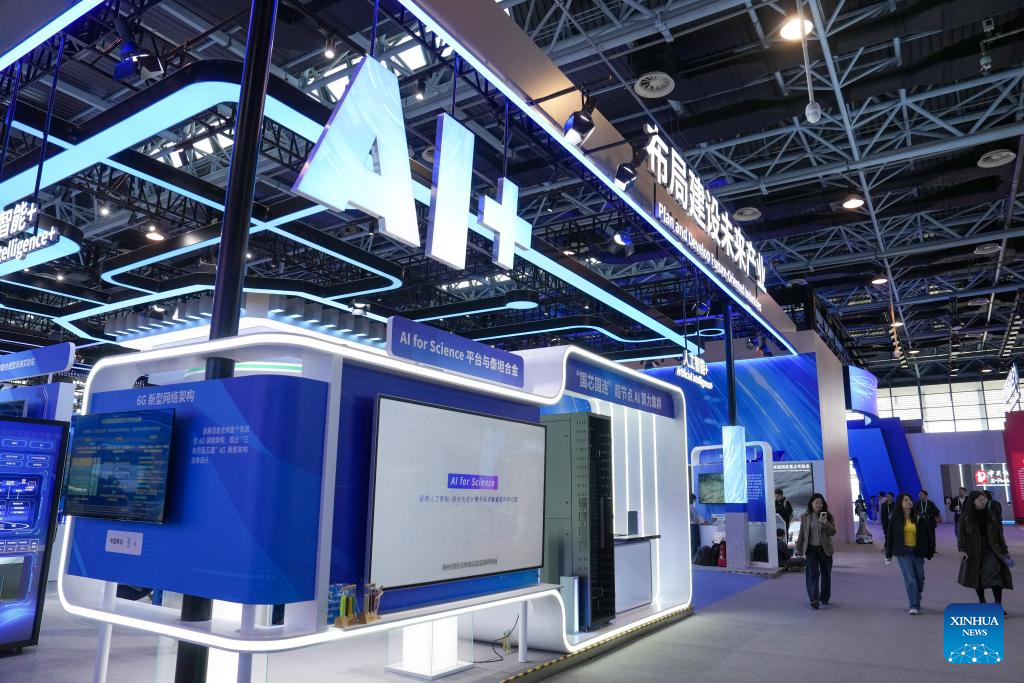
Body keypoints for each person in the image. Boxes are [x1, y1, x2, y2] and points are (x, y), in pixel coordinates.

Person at [958, 490, 1013, 614]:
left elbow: (999, 534)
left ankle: (998, 604)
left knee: (996, 576)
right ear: (973, 502)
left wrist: (1005, 551)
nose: (983, 502)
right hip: (973, 551)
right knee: (977, 577)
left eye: (984, 500)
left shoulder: (990, 515)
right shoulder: (966, 517)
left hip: (992, 550)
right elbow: (961, 535)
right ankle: (982, 601)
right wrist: (961, 550)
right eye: (980, 500)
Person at [885, 493, 936, 614]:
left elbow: (928, 535)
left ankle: (917, 595)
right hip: (903, 553)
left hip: (917, 552)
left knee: (919, 578)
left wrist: (930, 550)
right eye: (906, 500)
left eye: (910, 499)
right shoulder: (895, 519)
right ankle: (914, 605)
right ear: (900, 503)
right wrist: (888, 554)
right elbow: (890, 537)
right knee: (910, 578)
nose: (909, 502)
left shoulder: (918, 517)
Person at [795, 493, 836, 609]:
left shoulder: (828, 516)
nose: (819, 505)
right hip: (811, 549)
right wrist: (798, 548)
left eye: (821, 503)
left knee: (826, 574)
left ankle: (824, 597)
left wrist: (826, 523)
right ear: (811, 504)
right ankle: (814, 599)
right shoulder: (805, 516)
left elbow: (833, 532)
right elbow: (802, 533)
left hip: (825, 549)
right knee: (812, 574)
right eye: (816, 502)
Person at [689, 493, 704, 561]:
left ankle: (691, 557)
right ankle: (692, 557)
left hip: (689, 525)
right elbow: (695, 518)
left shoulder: (685, 506)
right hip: (694, 525)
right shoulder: (691, 507)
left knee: (691, 541)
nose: (695, 501)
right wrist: (701, 522)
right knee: (696, 541)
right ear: (692, 499)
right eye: (694, 499)